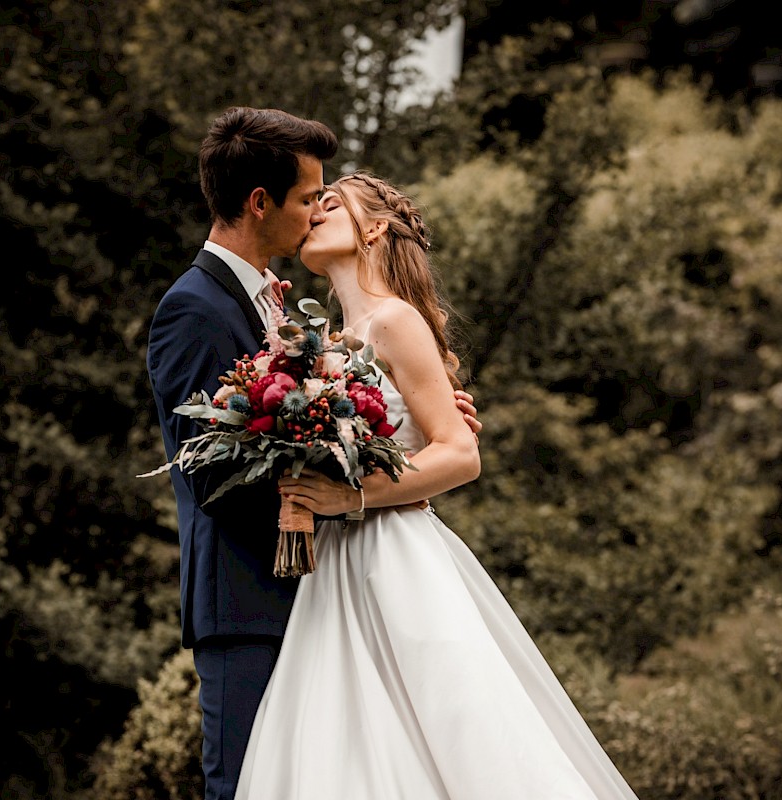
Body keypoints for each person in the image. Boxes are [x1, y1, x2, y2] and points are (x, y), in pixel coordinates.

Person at [233, 172, 642, 800]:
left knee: (459, 736)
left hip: (395, 556)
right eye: (312, 202)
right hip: (333, 567)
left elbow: (460, 452)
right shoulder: (321, 344)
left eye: (331, 203)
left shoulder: (394, 321)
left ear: (374, 228)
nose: (315, 211)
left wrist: (355, 496)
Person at [146, 108, 482, 800]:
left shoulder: (294, 311)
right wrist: (355, 476)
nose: (313, 213)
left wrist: (398, 444)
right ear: (260, 202)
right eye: (307, 199)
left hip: (332, 587)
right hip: (250, 602)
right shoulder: (195, 308)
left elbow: (363, 418)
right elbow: (209, 471)